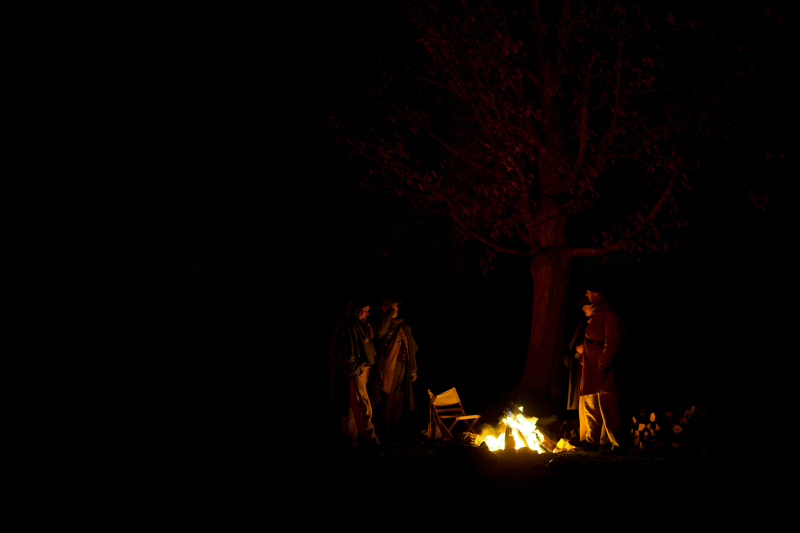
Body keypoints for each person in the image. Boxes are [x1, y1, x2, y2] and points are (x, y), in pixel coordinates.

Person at [575, 287, 626, 453]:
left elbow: (611, 342)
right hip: (591, 367)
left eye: (588, 292)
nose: (586, 295)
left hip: (601, 367)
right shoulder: (597, 315)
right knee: (592, 403)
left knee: (607, 405)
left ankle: (616, 443)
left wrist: (602, 365)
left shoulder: (608, 315)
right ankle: (592, 440)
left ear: (597, 294)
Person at [329, 300, 381, 449]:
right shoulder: (350, 326)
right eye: (365, 309)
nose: (368, 313)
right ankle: (370, 439)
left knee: (351, 405)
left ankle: (349, 439)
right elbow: (346, 352)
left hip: (359, 369)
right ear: (355, 310)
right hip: (355, 370)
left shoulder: (360, 324)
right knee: (361, 404)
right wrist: (354, 372)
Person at [372, 299, 418, 437]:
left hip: (403, 367)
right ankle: (384, 431)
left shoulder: (403, 325)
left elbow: (411, 349)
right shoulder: (381, 324)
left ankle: (393, 430)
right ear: (384, 309)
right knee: (387, 400)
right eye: (391, 307)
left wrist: (413, 369)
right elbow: (380, 334)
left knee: (399, 400)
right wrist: (389, 315)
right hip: (389, 367)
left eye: (395, 307)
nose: (395, 309)